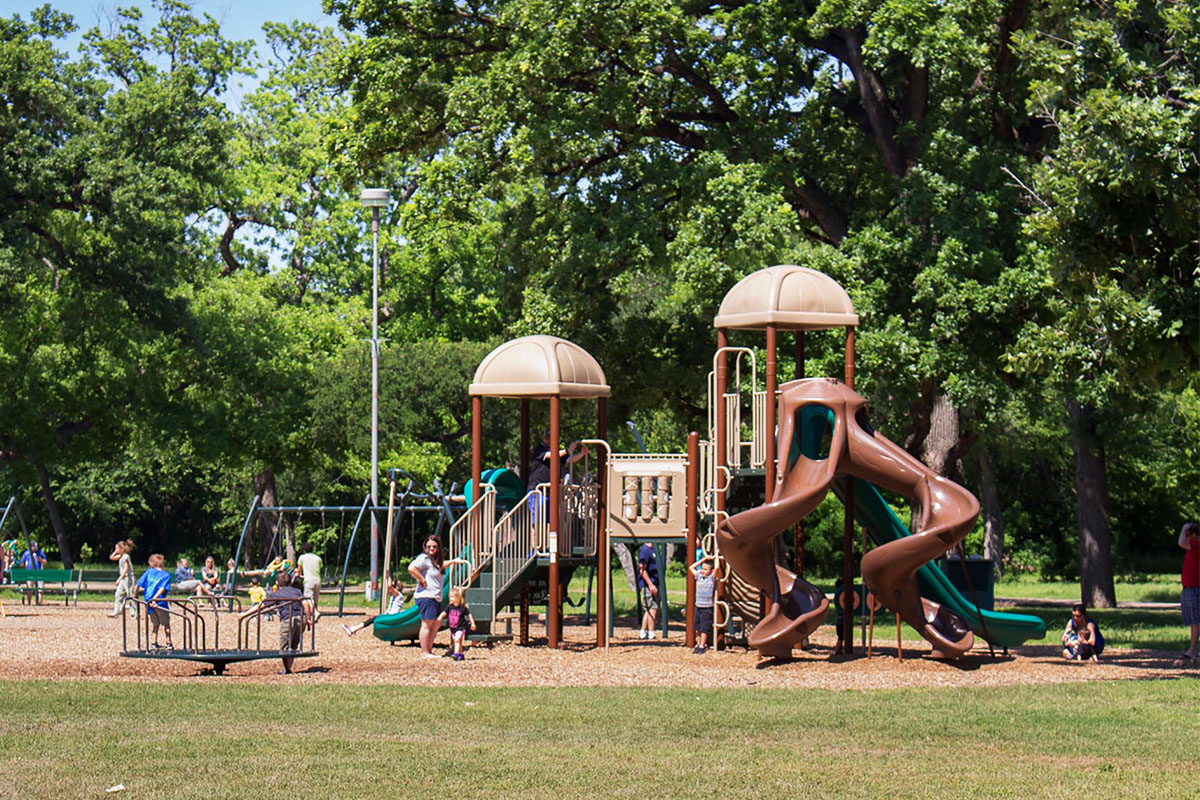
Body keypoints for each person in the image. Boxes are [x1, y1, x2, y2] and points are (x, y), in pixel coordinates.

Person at [408, 535, 468, 658]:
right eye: (429, 546)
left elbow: (440, 566)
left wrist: (454, 561)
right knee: (427, 623)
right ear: (425, 547)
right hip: (426, 596)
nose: (431, 549)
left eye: (434, 546)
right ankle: (425, 652)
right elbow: (411, 568)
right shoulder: (423, 558)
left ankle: (429, 650)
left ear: (438, 548)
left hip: (435, 596)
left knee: (435, 624)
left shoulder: (434, 561)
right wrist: (421, 579)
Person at [247, 572, 312, 675]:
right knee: (294, 645)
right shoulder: (297, 591)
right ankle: (288, 667)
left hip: (287, 619)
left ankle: (287, 669)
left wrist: (245, 614)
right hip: (301, 619)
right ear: (290, 582)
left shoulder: (276, 594)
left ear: (277, 583)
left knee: (285, 646)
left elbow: (261, 606)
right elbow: (306, 604)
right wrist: (308, 619)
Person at [343, 577, 412, 636]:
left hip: (391, 616)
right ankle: (354, 629)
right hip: (390, 616)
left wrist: (388, 576)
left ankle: (353, 629)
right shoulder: (397, 595)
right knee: (373, 618)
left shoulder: (398, 594)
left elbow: (389, 586)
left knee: (372, 619)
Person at [135, 554, 173, 649]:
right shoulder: (166, 575)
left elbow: (138, 584)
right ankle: (168, 642)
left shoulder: (149, 572)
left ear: (152, 564)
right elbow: (162, 588)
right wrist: (155, 598)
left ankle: (153, 642)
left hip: (148, 602)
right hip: (159, 602)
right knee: (166, 623)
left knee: (155, 624)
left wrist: (134, 594)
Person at [690, 556, 721, 654]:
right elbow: (691, 567)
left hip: (707, 607)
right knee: (697, 627)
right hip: (698, 605)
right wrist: (703, 559)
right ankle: (698, 644)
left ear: (710, 571)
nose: (703, 571)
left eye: (705, 569)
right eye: (702, 569)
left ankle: (702, 645)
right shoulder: (699, 576)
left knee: (704, 627)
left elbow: (717, 568)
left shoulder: (711, 578)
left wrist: (716, 557)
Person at [1178, 522, 1199, 660]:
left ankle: (1192, 650)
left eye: (1188, 535)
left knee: (1196, 622)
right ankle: (1192, 649)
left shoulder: (1197, 545)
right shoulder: (1193, 548)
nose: (1186, 537)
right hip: (1189, 589)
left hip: (1195, 589)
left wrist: (1184, 527)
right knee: (1194, 622)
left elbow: (1181, 542)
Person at [438, 587, 477, 661]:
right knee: (458, 642)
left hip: (460, 627)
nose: (450, 599)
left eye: (452, 597)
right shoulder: (449, 606)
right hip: (453, 628)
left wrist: (472, 623)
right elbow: (444, 613)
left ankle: (455, 654)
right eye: (450, 597)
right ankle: (460, 654)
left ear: (458, 598)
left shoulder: (462, 608)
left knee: (457, 639)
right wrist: (440, 617)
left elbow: (469, 615)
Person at [637, 542, 660, 640]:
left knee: (649, 608)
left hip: (655, 583)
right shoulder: (645, 550)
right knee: (653, 608)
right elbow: (642, 569)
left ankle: (643, 631)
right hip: (649, 584)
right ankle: (651, 632)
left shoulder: (653, 549)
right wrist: (650, 584)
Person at [107, 540, 135, 618]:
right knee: (118, 594)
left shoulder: (126, 557)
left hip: (128, 579)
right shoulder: (121, 556)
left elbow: (126, 569)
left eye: (117, 548)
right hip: (123, 579)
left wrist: (119, 579)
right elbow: (111, 557)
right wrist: (116, 551)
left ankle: (134, 613)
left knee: (130, 596)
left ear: (122, 549)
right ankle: (116, 611)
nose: (116, 550)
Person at [297, 543, 322, 619]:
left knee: (308, 598)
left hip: (308, 580)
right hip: (317, 580)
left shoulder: (302, 557)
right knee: (315, 598)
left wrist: (298, 575)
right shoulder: (318, 558)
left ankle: (315, 612)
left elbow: (299, 571)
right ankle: (315, 612)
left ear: (304, 550)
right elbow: (319, 568)